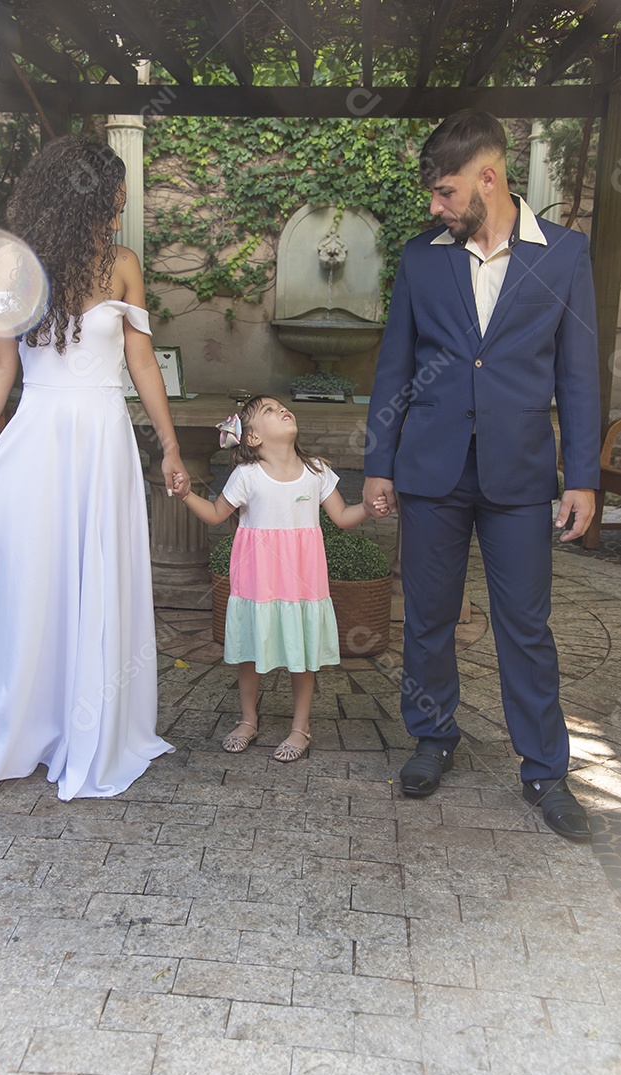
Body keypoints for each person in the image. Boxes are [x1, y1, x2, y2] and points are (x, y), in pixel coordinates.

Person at [0, 134, 191, 800]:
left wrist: (171, 444)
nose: (120, 210)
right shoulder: (15, 271)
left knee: (95, 571)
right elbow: (1, 367)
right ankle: (26, 718)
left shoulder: (123, 264)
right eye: (115, 197)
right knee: (37, 577)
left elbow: (143, 362)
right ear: (83, 198)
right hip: (37, 436)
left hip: (103, 438)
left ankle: (87, 722)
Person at [362, 111, 600, 841]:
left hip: (521, 475)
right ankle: (432, 739)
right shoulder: (421, 257)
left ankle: (544, 771)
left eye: (443, 192)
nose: (434, 207)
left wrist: (582, 475)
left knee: (524, 627)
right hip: (430, 470)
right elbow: (394, 367)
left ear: (487, 178)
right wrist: (378, 463)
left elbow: (578, 376)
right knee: (428, 619)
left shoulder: (562, 256)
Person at [175, 396, 382, 761]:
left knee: (301, 653)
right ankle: (248, 720)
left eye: (281, 406)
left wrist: (367, 508)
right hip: (258, 580)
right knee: (251, 652)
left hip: (302, 580)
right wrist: (187, 493)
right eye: (269, 411)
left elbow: (342, 517)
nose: (282, 410)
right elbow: (215, 514)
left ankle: (300, 728)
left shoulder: (316, 471)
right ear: (252, 437)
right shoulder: (247, 476)